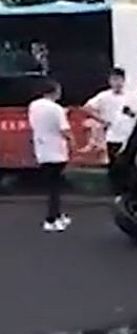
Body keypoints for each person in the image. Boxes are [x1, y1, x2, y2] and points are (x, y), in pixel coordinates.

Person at [28, 79, 73, 232]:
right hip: (57, 149)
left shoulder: (33, 106)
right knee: (55, 187)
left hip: (41, 148)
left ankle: (58, 215)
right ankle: (51, 219)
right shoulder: (56, 109)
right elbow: (64, 130)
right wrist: (73, 142)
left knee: (52, 185)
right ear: (53, 91)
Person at [84, 68, 137, 193]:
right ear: (110, 81)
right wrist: (102, 121)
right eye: (114, 79)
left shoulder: (131, 96)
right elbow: (87, 108)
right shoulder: (104, 96)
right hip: (113, 136)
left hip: (128, 136)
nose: (117, 83)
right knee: (114, 165)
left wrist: (131, 113)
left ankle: (128, 190)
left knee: (128, 165)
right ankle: (115, 191)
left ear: (124, 80)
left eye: (119, 79)